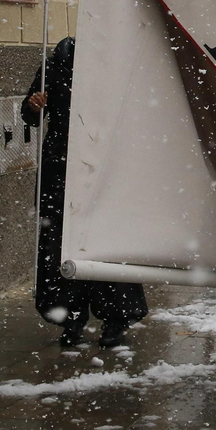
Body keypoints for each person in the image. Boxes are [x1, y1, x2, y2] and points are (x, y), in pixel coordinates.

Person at [22, 37, 146, 348]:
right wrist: (34, 105)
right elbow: (30, 114)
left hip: (104, 168)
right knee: (61, 247)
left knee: (106, 244)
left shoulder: (116, 67)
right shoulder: (56, 64)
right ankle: (70, 319)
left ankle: (115, 319)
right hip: (62, 169)